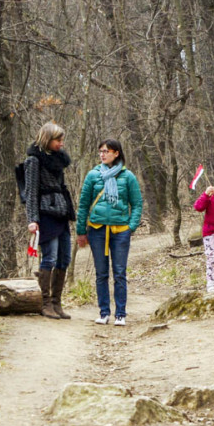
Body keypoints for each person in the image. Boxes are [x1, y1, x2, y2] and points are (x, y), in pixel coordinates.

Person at [76, 139, 143, 326]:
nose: (102, 154)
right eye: (100, 151)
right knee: (101, 273)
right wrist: (81, 231)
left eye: (106, 151)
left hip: (120, 231)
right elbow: (83, 205)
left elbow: (137, 204)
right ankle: (104, 312)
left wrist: (131, 227)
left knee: (120, 272)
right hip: (97, 230)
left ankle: (120, 313)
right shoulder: (92, 175)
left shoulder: (128, 176)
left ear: (117, 153)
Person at [25, 122, 76, 319]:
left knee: (65, 258)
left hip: (61, 212)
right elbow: (30, 192)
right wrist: (32, 219)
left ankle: (56, 302)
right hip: (45, 214)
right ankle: (45, 303)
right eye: (58, 140)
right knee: (50, 257)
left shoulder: (58, 161)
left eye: (62, 140)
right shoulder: (33, 161)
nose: (61, 144)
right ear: (48, 139)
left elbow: (61, 187)